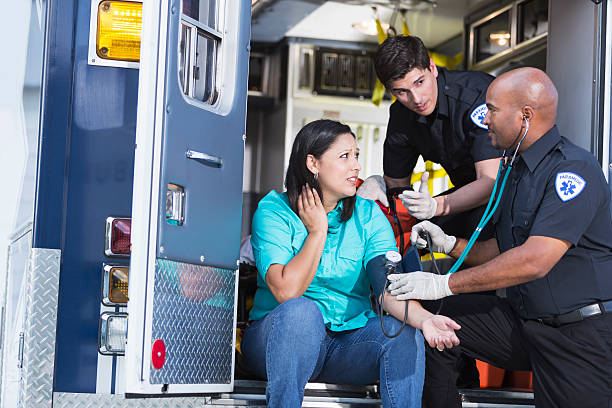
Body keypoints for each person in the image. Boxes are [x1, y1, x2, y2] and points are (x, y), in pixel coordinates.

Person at [386, 68, 612, 408]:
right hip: (527, 325)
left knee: (441, 296)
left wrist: (446, 283)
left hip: (578, 335)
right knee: (435, 318)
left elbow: (535, 259)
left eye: (491, 109)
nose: (483, 118)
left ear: (525, 117)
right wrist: (446, 243)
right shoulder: (515, 171)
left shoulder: (572, 171)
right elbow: (500, 250)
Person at [240, 119, 461, 408]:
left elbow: (386, 288)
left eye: (356, 155)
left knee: (405, 333)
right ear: (313, 163)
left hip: (343, 345)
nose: (356, 166)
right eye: (345, 157)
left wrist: (425, 320)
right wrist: (317, 231)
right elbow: (286, 292)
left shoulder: (369, 216)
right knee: (301, 312)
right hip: (277, 344)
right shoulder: (274, 211)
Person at [358, 35, 501, 241]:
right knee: (410, 237)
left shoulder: (474, 97)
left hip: (512, 194)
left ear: (432, 68)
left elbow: (491, 184)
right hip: (464, 196)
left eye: (419, 82)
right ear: (391, 91)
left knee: (474, 229)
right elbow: (397, 188)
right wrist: (376, 190)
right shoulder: (401, 116)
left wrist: (434, 206)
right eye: (402, 91)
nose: (416, 99)